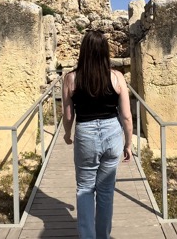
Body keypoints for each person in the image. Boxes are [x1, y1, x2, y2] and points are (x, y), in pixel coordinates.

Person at [62, 30, 133, 239]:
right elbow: (127, 116)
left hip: (86, 133)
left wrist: (67, 134)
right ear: (105, 52)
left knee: (84, 188)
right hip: (112, 132)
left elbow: (68, 115)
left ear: (83, 50)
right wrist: (128, 144)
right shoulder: (117, 77)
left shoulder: (71, 78)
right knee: (105, 191)